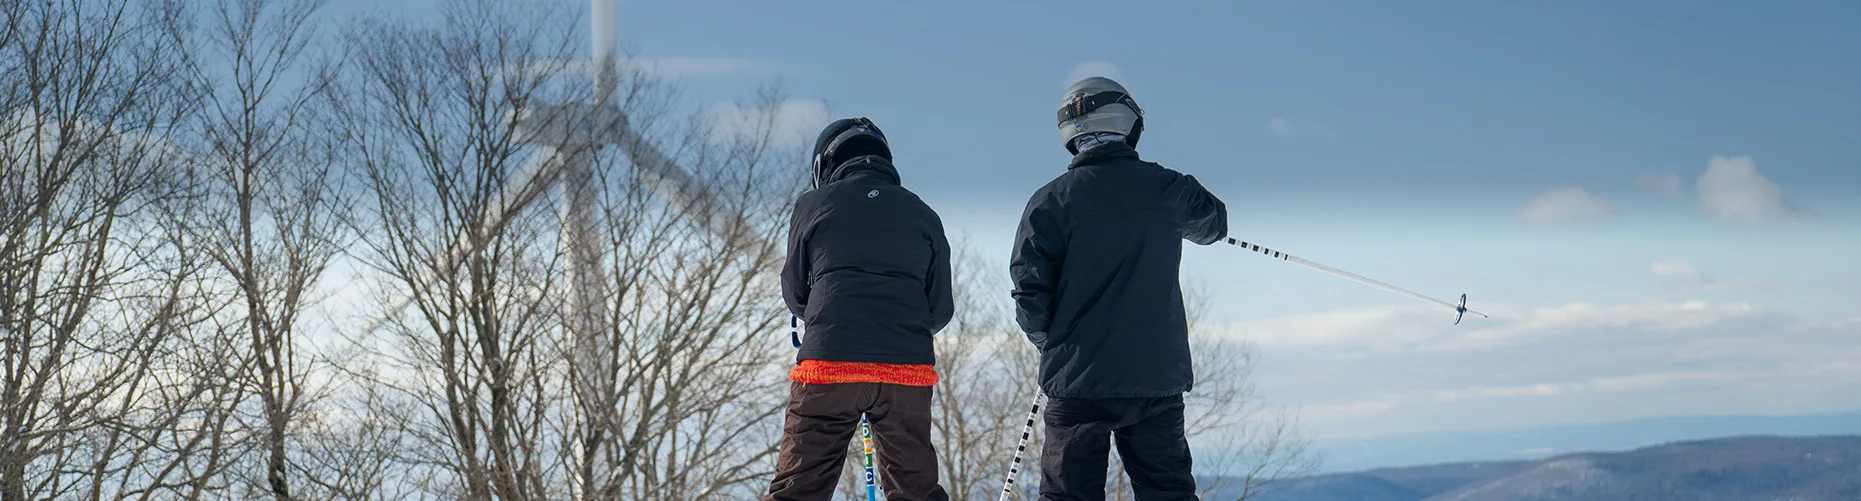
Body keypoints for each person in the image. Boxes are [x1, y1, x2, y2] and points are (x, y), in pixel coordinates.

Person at [1009, 76, 1229, 500]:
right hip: (1155, 379)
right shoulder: (1166, 187)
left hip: (1077, 381)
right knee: (1168, 493)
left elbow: (1029, 295)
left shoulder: (1048, 202)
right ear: (1127, 121)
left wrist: (1053, 344)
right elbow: (1214, 223)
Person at [765, 117, 955, 501]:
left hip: (830, 363)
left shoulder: (813, 204)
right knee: (916, 490)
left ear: (824, 165)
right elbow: (940, 308)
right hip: (906, 369)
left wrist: (825, 318)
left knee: (798, 489)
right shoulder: (923, 213)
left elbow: (795, 291)